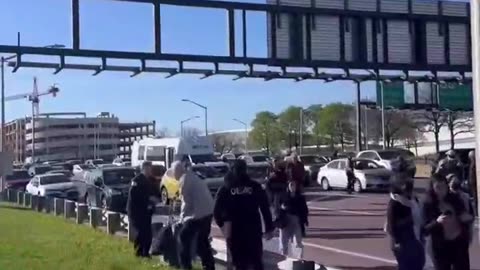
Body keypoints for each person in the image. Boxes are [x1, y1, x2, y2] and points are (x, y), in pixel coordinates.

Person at [214, 159, 274, 270]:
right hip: (253, 229)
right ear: (246, 170)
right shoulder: (255, 186)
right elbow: (265, 208)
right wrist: (269, 228)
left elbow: (216, 211)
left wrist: (223, 226)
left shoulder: (226, 188)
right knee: (256, 261)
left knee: (239, 263)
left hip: (234, 231)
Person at [423, 174, 473, 270]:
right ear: (432, 188)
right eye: (438, 187)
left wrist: (467, 218)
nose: (442, 190)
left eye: (444, 186)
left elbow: (466, 216)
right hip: (440, 247)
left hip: (459, 244)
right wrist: (437, 222)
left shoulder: (455, 199)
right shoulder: (428, 204)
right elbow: (425, 229)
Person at [173, 160, 216, 270]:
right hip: (208, 212)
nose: (173, 175)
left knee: (183, 237)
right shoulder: (192, 176)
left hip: (198, 214)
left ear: (177, 171)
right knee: (202, 241)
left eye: (174, 172)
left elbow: (186, 203)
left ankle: (185, 266)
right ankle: (209, 265)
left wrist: (181, 219)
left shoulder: (184, 180)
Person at [386, 175, 425, 270]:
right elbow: (391, 225)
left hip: (415, 238)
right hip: (404, 240)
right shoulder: (395, 202)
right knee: (407, 265)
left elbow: (420, 218)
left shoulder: (413, 200)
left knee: (419, 262)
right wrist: (396, 241)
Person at [127, 161, 158, 258]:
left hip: (146, 212)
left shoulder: (149, 180)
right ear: (143, 168)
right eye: (148, 169)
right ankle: (139, 252)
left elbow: (155, 192)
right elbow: (134, 196)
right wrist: (148, 199)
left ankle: (145, 253)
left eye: (150, 169)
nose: (150, 171)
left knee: (148, 233)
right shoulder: (137, 180)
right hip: (137, 212)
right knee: (141, 233)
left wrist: (154, 200)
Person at [278, 181, 308, 258]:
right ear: (288, 186)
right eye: (291, 185)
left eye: (294, 185)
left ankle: (299, 259)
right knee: (283, 241)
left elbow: (304, 209)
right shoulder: (283, 196)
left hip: (296, 220)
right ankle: (283, 257)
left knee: (298, 241)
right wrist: (281, 208)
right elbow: (277, 207)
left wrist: (305, 220)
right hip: (285, 220)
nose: (292, 187)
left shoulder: (300, 197)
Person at [468, 150, 477, 216]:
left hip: (474, 184)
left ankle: (476, 213)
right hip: (474, 184)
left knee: (475, 199)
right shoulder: (473, 164)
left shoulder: (473, 164)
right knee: (475, 199)